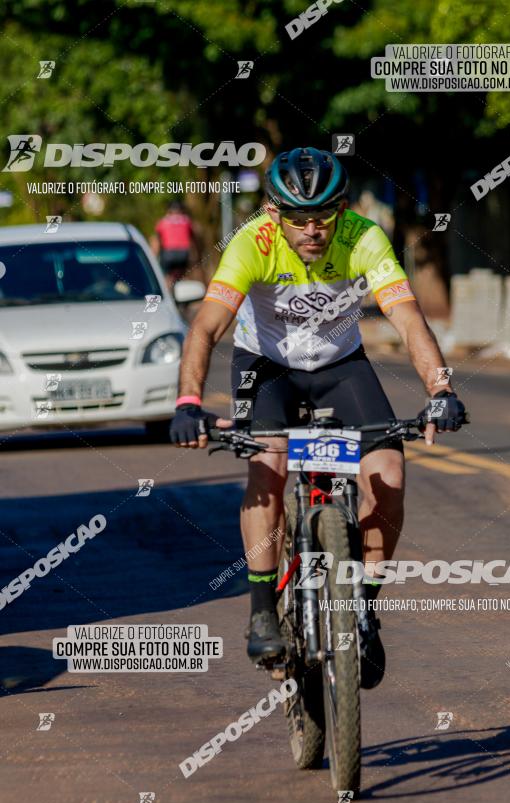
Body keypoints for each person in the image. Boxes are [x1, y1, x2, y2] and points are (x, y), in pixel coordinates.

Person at [170, 147, 466, 688]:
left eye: (324, 216)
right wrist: (189, 401)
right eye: (299, 218)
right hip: (266, 366)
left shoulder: (363, 237)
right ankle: (262, 607)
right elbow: (206, 328)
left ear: (344, 209)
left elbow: (407, 318)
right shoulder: (251, 242)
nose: (312, 229)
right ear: (273, 211)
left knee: (389, 475)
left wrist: (440, 389)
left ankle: (362, 609)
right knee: (270, 463)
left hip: (339, 365)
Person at [151, 201, 200, 290]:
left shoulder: (162, 221)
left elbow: (157, 242)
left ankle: (167, 294)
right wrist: (196, 255)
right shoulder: (187, 221)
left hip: (168, 253)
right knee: (183, 276)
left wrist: (153, 257)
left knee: (167, 277)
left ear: (168, 211)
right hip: (183, 253)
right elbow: (194, 240)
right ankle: (185, 295)